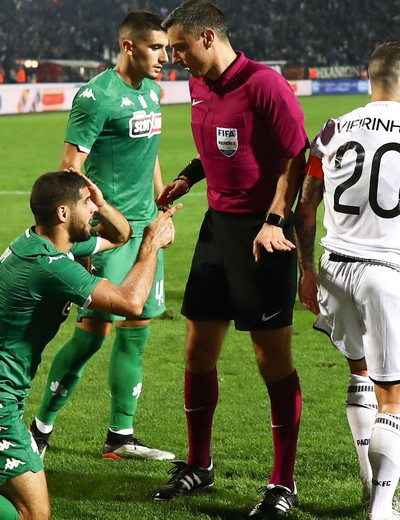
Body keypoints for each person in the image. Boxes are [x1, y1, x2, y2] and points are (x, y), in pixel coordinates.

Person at [153, 1, 309, 518]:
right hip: (217, 229)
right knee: (198, 350)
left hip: (264, 234)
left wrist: (276, 219)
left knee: (271, 359)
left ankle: (282, 483)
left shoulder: (265, 85)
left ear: (208, 38)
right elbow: (218, 145)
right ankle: (199, 464)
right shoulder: (199, 84)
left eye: (179, 47)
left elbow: (297, 154)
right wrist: (188, 176)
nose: (174, 58)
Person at [30, 11, 175, 461]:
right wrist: (85, 237)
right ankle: (40, 430)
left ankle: (120, 436)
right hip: (110, 235)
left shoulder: (152, 91)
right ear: (129, 46)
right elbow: (70, 170)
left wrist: (160, 206)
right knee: (91, 334)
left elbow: (150, 151)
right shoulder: (96, 97)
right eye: (156, 48)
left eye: (167, 49)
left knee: (137, 333)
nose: (165, 58)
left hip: (145, 232)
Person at [0, 170, 180, 520]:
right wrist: (151, 245)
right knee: (33, 513)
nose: (94, 209)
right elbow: (130, 303)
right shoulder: (49, 266)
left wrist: (100, 201)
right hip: (2, 403)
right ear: (63, 213)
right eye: (87, 203)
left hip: (9, 395)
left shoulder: (44, 242)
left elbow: (120, 235)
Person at [294, 41, 400, 520]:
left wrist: (307, 271)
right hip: (385, 273)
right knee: (392, 397)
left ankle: (366, 477)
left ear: (369, 78)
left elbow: (305, 208)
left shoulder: (333, 129)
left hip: (334, 268)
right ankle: (382, 507)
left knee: (359, 372)